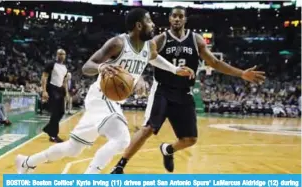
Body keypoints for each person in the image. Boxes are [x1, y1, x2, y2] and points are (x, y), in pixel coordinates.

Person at [15, 8, 193, 174]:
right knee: (122, 139)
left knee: (73, 148)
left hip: (112, 101)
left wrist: (175, 69)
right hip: (101, 96)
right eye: (149, 21)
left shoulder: (149, 47)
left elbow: (155, 59)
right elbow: (87, 66)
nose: (153, 24)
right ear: (139, 25)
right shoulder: (118, 43)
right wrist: (101, 67)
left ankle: (27, 162)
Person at [111, 6, 266, 174]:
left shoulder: (196, 40)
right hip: (162, 90)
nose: (177, 19)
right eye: (174, 16)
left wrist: (242, 73)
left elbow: (214, 63)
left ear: (185, 20)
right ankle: (120, 165)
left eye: (180, 16)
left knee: (190, 139)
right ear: (170, 19)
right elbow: (141, 55)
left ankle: (168, 150)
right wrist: (138, 77)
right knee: (148, 128)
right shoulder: (161, 39)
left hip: (184, 93)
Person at [41, 49, 69, 143]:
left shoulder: (65, 67)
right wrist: (44, 91)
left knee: (61, 112)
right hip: (52, 88)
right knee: (55, 112)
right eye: (60, 54)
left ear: (65, 56)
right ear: (57, 55)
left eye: (63, 54)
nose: (61, 55)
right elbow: (44, 77)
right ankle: (53, 135)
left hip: (60, 89)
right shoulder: (51, 64)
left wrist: (67, 93)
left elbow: (64, 81)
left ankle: (49, 128)